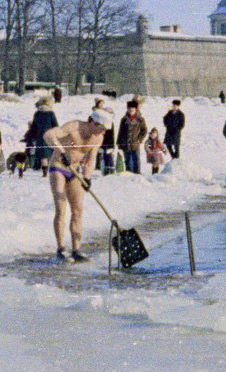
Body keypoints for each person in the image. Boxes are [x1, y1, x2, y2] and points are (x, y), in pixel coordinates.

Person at [42, 108, 112, 262]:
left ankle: (76, 250)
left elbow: (92, 159)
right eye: (102, 128)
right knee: (61, 207)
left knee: (78, 210)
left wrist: (87, 177)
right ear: (93, 122)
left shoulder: (98, 138)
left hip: (75, 171)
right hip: (58, 167)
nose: (103, 133)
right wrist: (61, 152)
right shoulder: (74, 126)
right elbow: (48, 135)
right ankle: (61, 249)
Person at [24, 96, 59, 175]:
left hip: (40, 136)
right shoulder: (51, 113)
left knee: (43, 154)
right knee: (51, 152)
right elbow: (55, 125)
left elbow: (34, 126)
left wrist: (31, 136)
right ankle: (52, 170)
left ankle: (44, 172)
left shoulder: (37, 113)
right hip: (50, 136)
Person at [117, 99, 148, 174]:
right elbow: (120, 131)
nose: (131, 110)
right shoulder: (124, 120)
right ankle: (129, 175)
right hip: (125, 143)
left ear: (136, 109)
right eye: (129, 108)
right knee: (127, 160)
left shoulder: (140, 119)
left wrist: (140, 139)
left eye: (133, 108)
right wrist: (119, 142)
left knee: (136, 160)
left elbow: (144, 130)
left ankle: (137, 175)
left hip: (135, 143)